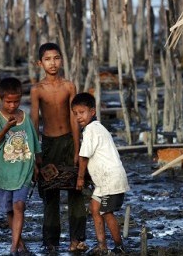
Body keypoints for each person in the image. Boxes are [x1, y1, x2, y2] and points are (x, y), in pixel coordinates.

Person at [30, 42, 88, 252]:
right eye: (47, 59)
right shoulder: (37, 90)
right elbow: (35, 122)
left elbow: (74, 118)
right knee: (50, 193)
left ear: (61, 60)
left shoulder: (69, 86)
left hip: (68, 141)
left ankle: (77, 239)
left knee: (75, 190)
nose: (52, 63)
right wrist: (36, 152)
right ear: (40, 63)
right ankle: (51, 242)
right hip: (48, 144)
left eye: (56, 58)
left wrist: (76, 147)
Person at [0, 77, 41, 256]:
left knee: (19, 206)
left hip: (23, 170)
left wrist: (36, 165)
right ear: (1, 99)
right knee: (9, 210)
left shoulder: (25, 117)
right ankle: (21, 245)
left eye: (16, 101)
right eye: (8, 101)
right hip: (2, 173)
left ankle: (12, 248)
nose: (12, 105)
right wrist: (6, 128)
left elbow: (34, 142)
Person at [71, 92, 130, 255]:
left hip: (111, 179)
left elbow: (84, 157)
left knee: (106, 212)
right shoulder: (95, 128)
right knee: (95, 208)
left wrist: (81, 178)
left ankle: (119, 246)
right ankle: (102, 245)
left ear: (92, 112)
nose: (78, 117)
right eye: (75, 113)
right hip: (104, 182)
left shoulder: (91, 130)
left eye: (82, 112)